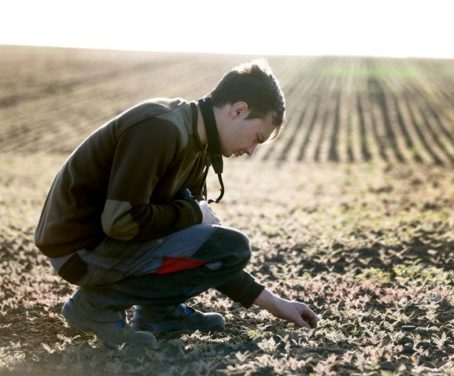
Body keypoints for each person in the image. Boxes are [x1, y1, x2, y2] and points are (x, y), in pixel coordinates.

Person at [34, 59, 317, 349]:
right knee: (231, 245)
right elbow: (120, 221)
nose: (251, 151)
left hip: (103, 242)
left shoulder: (198, 144)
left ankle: (159, 313)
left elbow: (199, 243)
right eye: (257, 137)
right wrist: (194, 213)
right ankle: (94, 305)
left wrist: (275, 303)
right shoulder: (161, 128)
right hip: (79, 250)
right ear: (238, 110)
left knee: (222, 245)